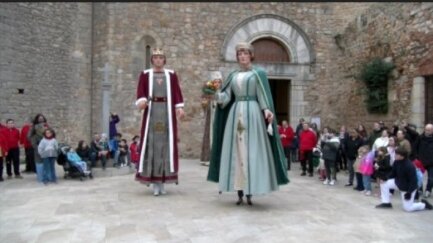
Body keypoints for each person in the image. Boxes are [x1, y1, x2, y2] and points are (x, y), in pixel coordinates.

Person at [207, 42, 289, 205]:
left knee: (252, 150)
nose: (242, 56)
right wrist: (214, 93)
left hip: (253, 113)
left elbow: (263, 94)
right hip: (235, 113)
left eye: (245, 53)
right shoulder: (233, 76)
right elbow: (226, 97)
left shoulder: (258, 74)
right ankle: (238, 189)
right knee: (236, 151)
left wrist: (266, 110)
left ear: (251, 55)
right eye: (239, 54)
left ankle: (251, 189)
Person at [135, 47, 185, 196]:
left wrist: (179, 108)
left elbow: (177, 93)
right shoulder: (145, 75)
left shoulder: (171, 75)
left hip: (167, 114)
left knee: (166, 147)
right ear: (152, 60)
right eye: (155, 58)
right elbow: (141, 92)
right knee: (152, 147)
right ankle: (155, 183)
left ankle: (163, 182)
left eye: (161, 57)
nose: (158, 60)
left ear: (164, 60)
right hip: (152, 115)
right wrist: (142, 102)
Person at [375, 146, 433, 212]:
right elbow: (393, 173)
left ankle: (424, 205)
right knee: (384, 183)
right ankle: (386, 203)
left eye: (396, 154)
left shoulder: (409, 166)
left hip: (407, 188)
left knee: (408, 208)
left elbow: (413, 181)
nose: (395, 155)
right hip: (398, 182)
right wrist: (385, 178)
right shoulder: (396, 162)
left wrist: (409, 193)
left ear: (402, 156)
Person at [28, 114, 50, 178]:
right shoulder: (34, 126)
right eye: (39, 118)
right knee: (39, 161)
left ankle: (47, 175)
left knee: (47, 161)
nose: (41, 119)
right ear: (37, 119)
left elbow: (52, 133)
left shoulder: (47, 125)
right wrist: (34, 142)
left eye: (42, 118)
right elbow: (29, 136)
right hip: (38, 145)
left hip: (47, 146)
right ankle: (40, 176)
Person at [414, 123, 433, 198]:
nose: (427, 131)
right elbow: (415, 147)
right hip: (421, 161)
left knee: (431, 178)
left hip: (432, 162)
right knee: (420, 176)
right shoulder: (420, 138)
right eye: (426, 130)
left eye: (429, 130)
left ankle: (428, 190)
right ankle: (420, 189)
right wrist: (416, 157)